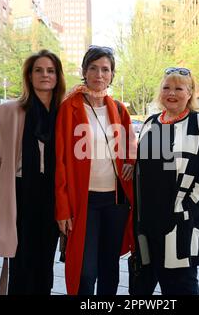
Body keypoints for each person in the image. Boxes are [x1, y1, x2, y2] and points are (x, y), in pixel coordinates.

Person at [131, 67, 199, 295]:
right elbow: (147, 168)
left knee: (181, 284)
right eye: (166, 87)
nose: (171, 93)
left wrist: (188, 208)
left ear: (190, 93)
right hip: (148, 223)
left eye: (179, 88)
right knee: (141, 284)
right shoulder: (151, 123)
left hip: (181, 222)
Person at [55, 45, 137, 295]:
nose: (99, 75)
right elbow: (60, 161)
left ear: (112, 74)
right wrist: (63, 207)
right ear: (84, 71)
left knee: (110, 268)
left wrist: (131, 164)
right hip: (84, 201)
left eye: (105, 69)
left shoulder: (120, 109)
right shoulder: (70, 107)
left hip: (115, 201)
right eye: (93, 68)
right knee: (85, 270)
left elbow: (130, 146)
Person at [0, 49, 65, 295]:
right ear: (29, 76)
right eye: (38, 70)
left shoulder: (65, 113)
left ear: (58, 76)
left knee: (44, 264)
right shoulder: (10, 112)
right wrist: (3, 194)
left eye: (50, 71)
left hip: (52, 196)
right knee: (20, 263)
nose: (45, 75)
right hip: (20, 195)